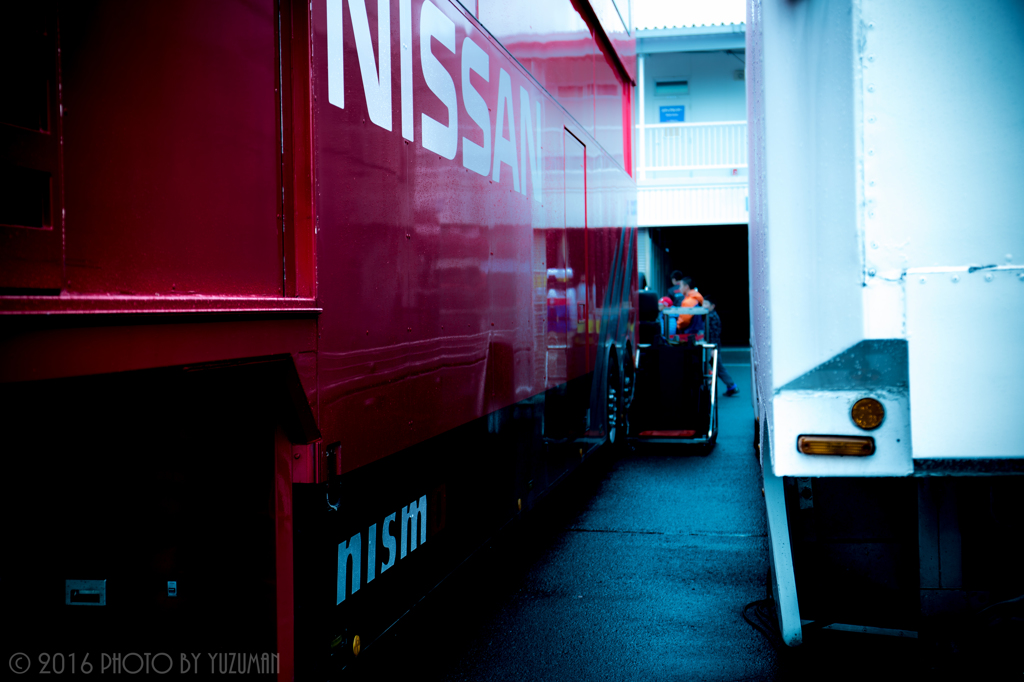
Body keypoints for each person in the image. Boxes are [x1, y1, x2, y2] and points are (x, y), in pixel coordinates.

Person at [703, 299, 739, 397]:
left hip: (713, 347)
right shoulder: (710, 316)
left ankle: (732, 386)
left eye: (706, 304)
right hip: (714, 346)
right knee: (718, 368)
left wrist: (712, 348)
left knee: (719, 368)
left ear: (712, 306)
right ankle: (731, 386)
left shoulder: (711, 317)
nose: (704, 305)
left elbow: (714, 334)